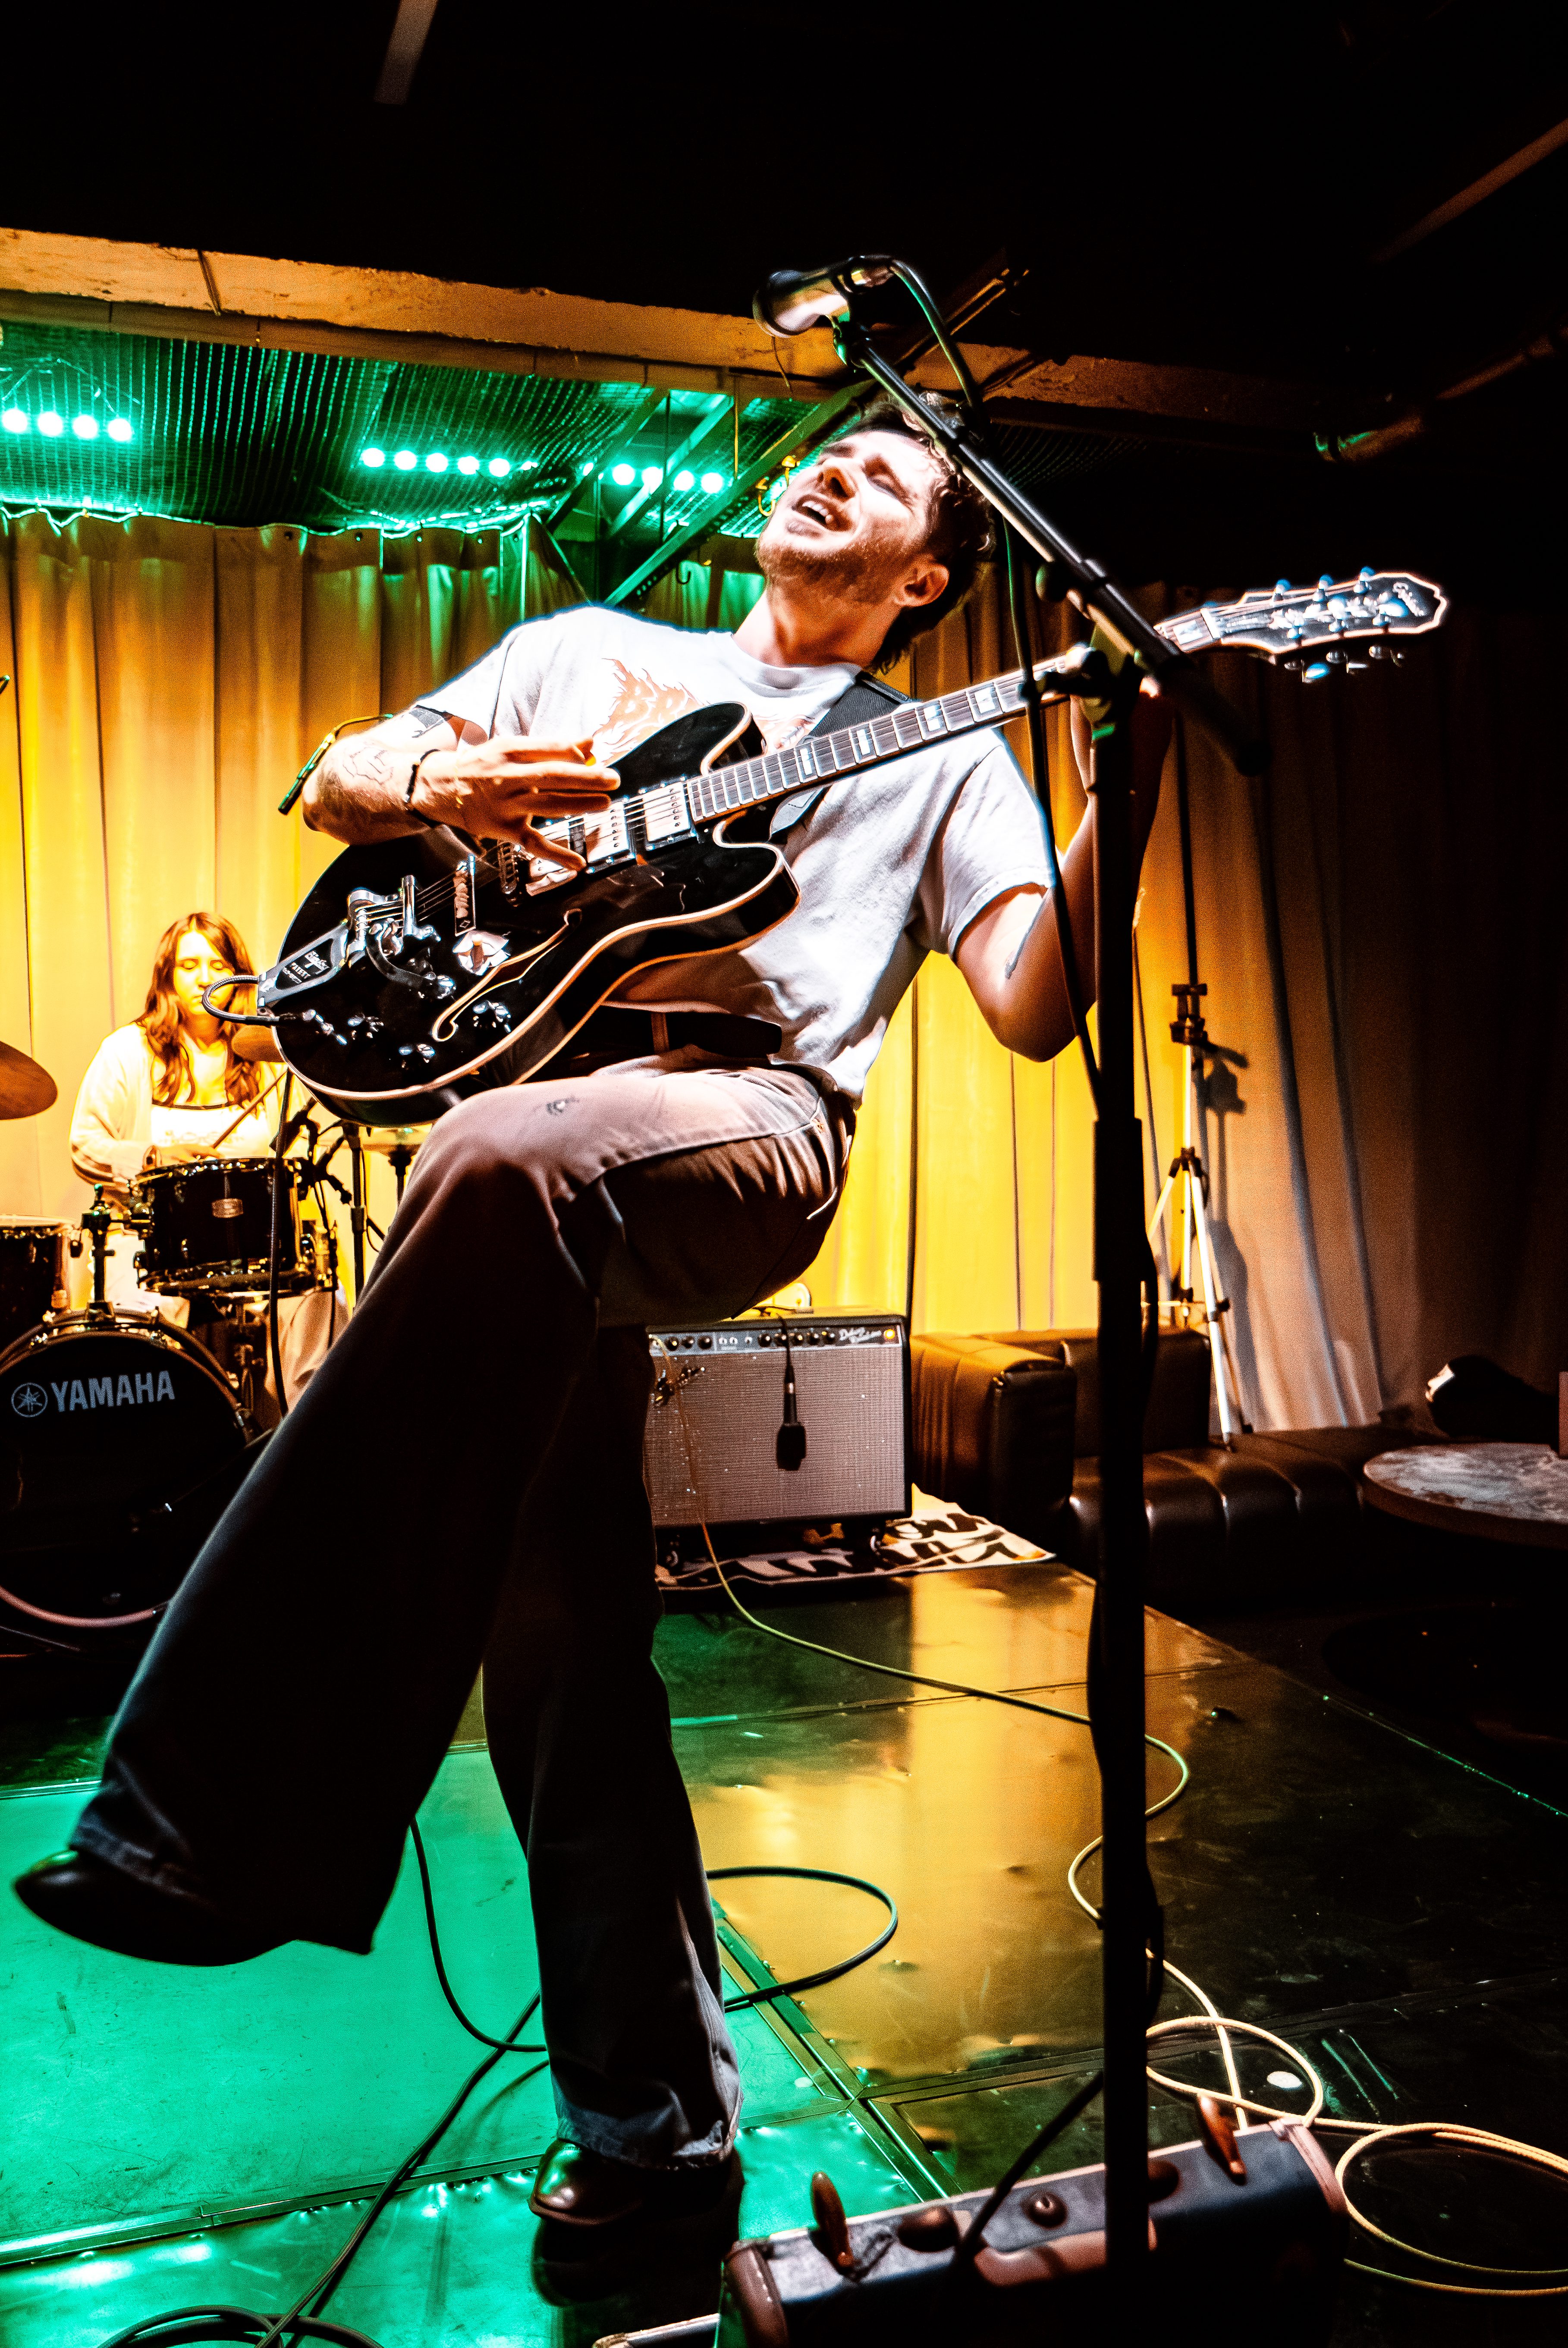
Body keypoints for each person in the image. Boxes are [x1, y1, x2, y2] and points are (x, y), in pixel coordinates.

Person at [17, 396, 1169, 2251]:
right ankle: (656, 2145)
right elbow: (329, 782)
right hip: (533, 1119)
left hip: (742, 1122)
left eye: (886, 472)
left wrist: (1131, 771)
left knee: (490, 1157)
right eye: (831, 449)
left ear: (925, 579)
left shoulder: (938, 748)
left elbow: (1035, 1002)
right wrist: (444, 786)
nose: (835, 464)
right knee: (558, 1639)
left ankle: (204, 1817)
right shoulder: (585, 654)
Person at [69, 911, 344, 1408]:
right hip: (152, 1249)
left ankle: (307, 1433)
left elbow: (296, 1158)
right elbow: (85, 1144)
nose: (203, 978)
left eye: (217, 965)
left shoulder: (264, 1054)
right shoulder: (128, 1050)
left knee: (322, 1300)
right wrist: (151, 1157)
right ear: (167, 976)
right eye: (188, 965)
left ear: (238, 975)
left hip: (257, 1250)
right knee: (133, 1329)